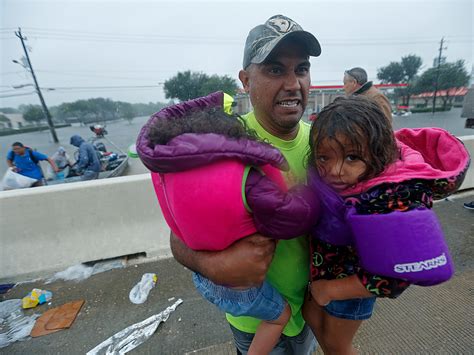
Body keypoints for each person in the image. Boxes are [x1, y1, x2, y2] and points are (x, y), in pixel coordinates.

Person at [145, 14, 322, 354]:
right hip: (254, 321)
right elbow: (179, 234)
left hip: (312, 308)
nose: (292, 83)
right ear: (245, 80)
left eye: (301, 69)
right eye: (274, 69)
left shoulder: (328, 145)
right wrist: (210, 265)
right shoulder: (218, 145)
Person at [302, 96, 469, 354]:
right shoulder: (347, 182)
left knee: (337, 345)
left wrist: (330, 289)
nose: (334, 170)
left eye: (352, 157)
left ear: (379, 153)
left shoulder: (391, 199)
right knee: (312, 318)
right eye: (324, 157)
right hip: (325, 277)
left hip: (350, 290)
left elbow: (396, 277)